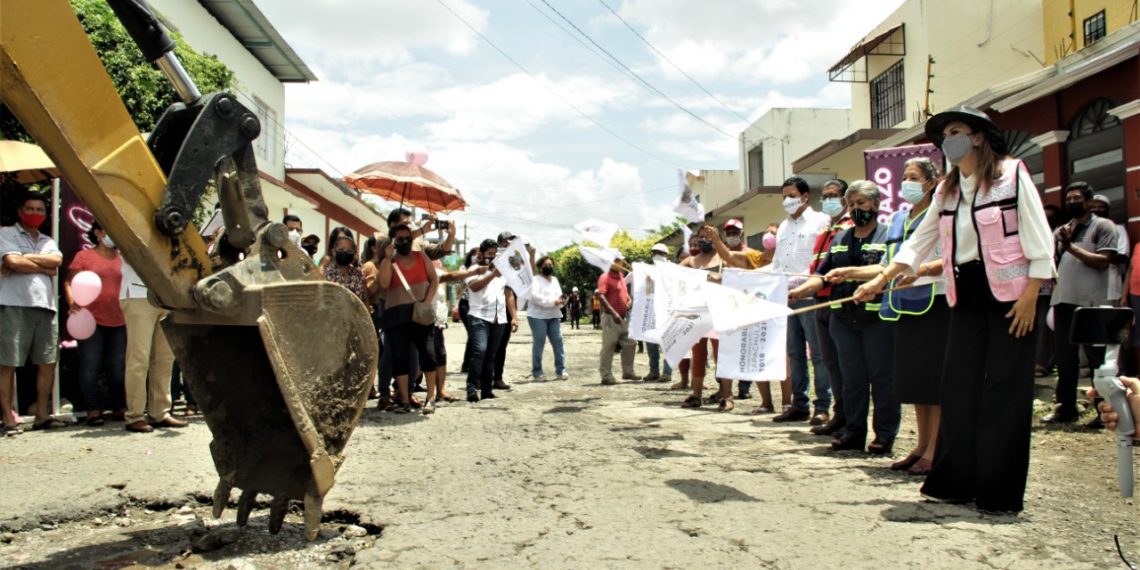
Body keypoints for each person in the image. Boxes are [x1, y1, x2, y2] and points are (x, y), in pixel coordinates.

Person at [859, 105, 1054, 513]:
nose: (950, 140)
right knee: (958, 385)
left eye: (958, 131)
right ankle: (955, 481)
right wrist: (880, 280)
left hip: (1013, 294)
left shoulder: (1011, 173)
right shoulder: (948, 189)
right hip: (964, 292)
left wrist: (1032, 293)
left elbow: (1038, 234)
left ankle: (999, 494)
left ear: (978, 136)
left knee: (1005, 390)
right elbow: (920, 241)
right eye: (946, 134)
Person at [827, 160, 948, 473]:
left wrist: (919, 270)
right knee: (919, 384)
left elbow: (947, 258)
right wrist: (861, 277)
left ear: (933, 182)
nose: (906, 183)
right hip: (903, 306)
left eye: (914, 178)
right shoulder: (899, 219)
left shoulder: (941, 214)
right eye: (904, 177)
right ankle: (921, 447)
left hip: (935, 302)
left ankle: (936, 450)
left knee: (932, 385)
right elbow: (889, 263)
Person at [791, 180, 898, 454]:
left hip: (877, 320)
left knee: (882, 378)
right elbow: (823, 275)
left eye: (861, 203)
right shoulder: (839, 239)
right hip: (843, 320)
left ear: (875, 204)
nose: (855, 209)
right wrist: (799, 291)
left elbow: (885, 269)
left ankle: (884, 435)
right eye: (851, 204)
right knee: (852, 378)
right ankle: (853, 431)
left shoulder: (888, 235)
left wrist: (850, 272)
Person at [1045, 182, 1119, 424]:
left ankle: (1103, 411)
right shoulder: (1063, 230)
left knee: (1097, 359)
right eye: (1069, 199)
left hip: (1092, 304)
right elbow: (1053, 262)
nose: (1072, 203)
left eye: (1077, 198)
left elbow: (1103, 261)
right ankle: (1065, 410)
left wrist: (1070, 248)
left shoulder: (1103, 226)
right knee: (1066, 360)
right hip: (1063, 302)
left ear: (1088, 201)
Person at [0, 193, 64, 435]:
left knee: (47, 362)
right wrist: (40, 265)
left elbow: (56, 262)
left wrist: (23, 258)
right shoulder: (6, 233)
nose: (35, 213)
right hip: (12, 305)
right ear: (19, 211)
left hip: (45, 307)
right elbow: (12, 262)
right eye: (30, 209)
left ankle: (42, 415)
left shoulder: (47, 239)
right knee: (7, 363)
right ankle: (8, 417)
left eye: (40, 210)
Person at [771, 176, 832, 423]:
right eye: (784, 196)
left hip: (809, 293)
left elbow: (823, 260)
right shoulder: (783, 227)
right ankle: (799, 404)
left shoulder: (821, 221)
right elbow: (776, 263)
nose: (788, 200)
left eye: (792, 195)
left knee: (818, 353)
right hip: (785, 297)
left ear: (805, 196)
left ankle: (823, 406)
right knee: (794, 352)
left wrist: (806, 287)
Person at [699, 219, 771, 405]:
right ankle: (727, 395)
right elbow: (729, 276)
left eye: (734, 232)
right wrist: (712, 278)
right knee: (725, 354)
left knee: (754, 354)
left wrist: (715, 239)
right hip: (729, 307)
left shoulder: (752, 255)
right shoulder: (723, 256)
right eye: (728, 232)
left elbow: (752, 276)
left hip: (750, 309)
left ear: (741, 232)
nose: (732, 235)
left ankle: (766, 401)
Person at [65, 221, 128, 427]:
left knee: (118, 368)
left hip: (119, 319)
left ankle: (120, 407)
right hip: (91, 320)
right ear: (98, 233)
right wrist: (72, 302)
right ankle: (93, 410)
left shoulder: (123, 258)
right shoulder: (84, 256)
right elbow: (68, 282)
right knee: (90, 366)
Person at [377, 224, 441, 414]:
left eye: (407, 238)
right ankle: (404, 399)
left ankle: (431, 397)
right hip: (396, 316)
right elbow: (384, 283)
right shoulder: (388, 261)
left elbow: (434, 279)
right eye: (400, 239)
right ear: (393, 241)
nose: (404, 242)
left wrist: (427, 302)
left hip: (420, 313)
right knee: (400, 358)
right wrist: (388, 259)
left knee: (428, 354)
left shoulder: (421, 257)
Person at [807, 179, 853, 433]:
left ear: (845, 199)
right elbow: (818, 268)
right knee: (829, 361)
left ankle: (849, 418)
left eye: (833, 195)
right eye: (824, 196)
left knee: (843, 362)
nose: (827, 200)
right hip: (819, 300)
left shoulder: (848, 227)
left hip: (838, 300)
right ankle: (840, 414)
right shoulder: (825, 229)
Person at [119, 260, 186, 433]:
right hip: (137, 293)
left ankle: (160, 412)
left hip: (166, 295)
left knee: (165, 359)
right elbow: (115, 242)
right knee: (139, 359)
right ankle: (135, 415)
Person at [679, 232, 728, 409]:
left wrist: (718, 278)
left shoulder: (724, 258)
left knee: (720, 355)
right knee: (698, 355)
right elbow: (674, 276)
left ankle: (726, 394)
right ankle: (696, 394)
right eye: (701, 237)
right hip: (697, 313)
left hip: (719, 312)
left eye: (708, 236)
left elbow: (737, 276)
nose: (704, 240)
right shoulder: (691, 261)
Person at [464, 239, 509, 402]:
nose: (492, 257)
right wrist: (491, 275)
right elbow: (474, 287)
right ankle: (471, 388)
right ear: (481, 254)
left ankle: (487, 390)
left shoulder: (502, 270)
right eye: (489, 254)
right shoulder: (475, 268)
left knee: (491, 354)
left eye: (494, 254)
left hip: (499, 317)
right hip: (479, 316)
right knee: (480, 351)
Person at [597, 254, 638, 385]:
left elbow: (625, 294)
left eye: (621, 260)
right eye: (617, 260)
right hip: (611, 317)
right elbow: (601, 297)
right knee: (609, 345)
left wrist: (629, 300)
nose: (620, 262)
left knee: (630, 342)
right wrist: (614, 314)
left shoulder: (621, 276)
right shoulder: (605, 277)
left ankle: (628, 372)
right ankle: (606, 375)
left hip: (624, 316)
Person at [492, 232, 525, 391]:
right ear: (498, 243)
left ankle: (497, 378)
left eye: (510, 243)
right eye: (505, 243)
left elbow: (510, 292)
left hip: (503, 309)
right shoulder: (491, 259)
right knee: (484, 346)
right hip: (487, 308)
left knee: (501, 346)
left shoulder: (513, 262)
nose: (508, 246)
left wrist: (514, 317)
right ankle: (479, 378)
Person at [528, 255, 568, 380]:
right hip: (537, 316)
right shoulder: (535, 280)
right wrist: (552, 302)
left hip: (554, 315)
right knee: (539, 343)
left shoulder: (555, 280)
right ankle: (537, 372)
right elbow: (535, 297)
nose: (549, 267)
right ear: (540, 267)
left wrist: (562, 301)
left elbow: (559, 295)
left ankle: (561, 370)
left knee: (558, 341)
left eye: (551, 265)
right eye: (546, 265)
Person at [642, 243, 672, 383]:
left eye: (660, 253)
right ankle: (654, 371)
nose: (657, 255)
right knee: (651, 343)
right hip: (652, 312)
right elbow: (647, 291)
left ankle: (667, 372)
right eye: (654, 253)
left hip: (667, 312)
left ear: (667, 256)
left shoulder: (672, 270)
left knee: (667, 343)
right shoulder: (648, 271)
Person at [324, 232, 366, 305]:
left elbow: (365, 301)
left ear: (353, 253)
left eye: (349, 251)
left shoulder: (359, 275)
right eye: (341, 249)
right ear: (333, 251)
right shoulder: (324, 274)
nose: (345, 252)